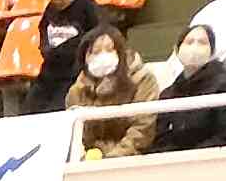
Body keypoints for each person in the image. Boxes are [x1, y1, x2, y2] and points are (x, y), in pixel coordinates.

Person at [150, 18, 226, 152]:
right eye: (189, 42)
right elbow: (160, 139)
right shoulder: (168, 95)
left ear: (212, 52)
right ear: (177, 50)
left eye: (202, 43)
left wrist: (193, 155)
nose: (195, 47)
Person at [27, 0, 111, 110]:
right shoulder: (50, 10)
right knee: (31, 108)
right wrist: (46, 50)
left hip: (75, 74)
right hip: (50, 72)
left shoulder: (87, 8)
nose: (58, 1)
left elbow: (98, 35)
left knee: (58, 108)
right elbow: (43, 32)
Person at [65, 22, 161, 156]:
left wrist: (114, 157)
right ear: (84, 58)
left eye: (110, 50)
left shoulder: (143, 79)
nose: (103, 56)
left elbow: (142, 127)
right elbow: (76, 137)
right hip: (90, 160)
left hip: (133, 159)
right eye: (95, 52)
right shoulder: (76, 91)